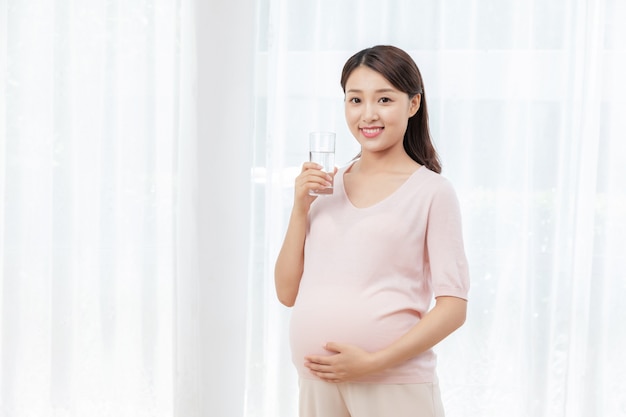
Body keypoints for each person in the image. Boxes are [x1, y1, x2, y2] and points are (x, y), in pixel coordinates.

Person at [274, 45, 470, 417]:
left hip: (393, 383)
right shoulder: (324, 188)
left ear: (413, 104)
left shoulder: (431, 192)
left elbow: (453, 307)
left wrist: (374, 362)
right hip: (318, 381)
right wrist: (299, 209)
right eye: (355, 100)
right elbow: (286, 293)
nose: (368, 114)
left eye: (384, 99)